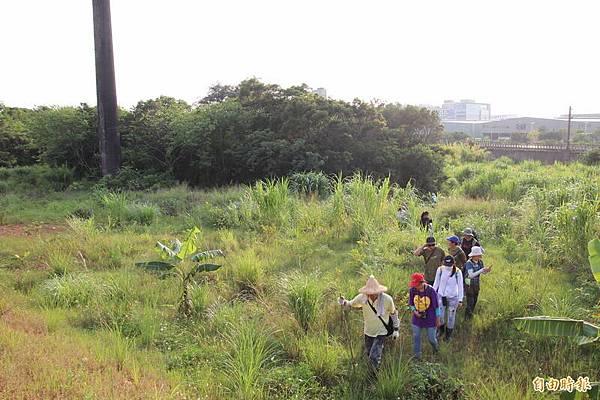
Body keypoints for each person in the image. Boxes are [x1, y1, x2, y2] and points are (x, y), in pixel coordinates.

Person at [338, 275, 399, 371]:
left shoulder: (387, 299)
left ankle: (374, 376)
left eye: (373, 292)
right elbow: (351, 303)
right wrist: (343, 302)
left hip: (381, 332)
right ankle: (372, 370)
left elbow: (393, 313)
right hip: (368, 331)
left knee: (374, 356)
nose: (371, 294)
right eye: (369, 292)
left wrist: (396, 329)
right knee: (369, 354)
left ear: (378, 291)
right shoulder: (362, 298)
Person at [408, 273, 440, 360]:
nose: (415, 287)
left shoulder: (431, 291)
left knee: (431, 338)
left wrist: (438, 319)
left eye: (417, 285)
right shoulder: (412, 290)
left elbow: (437, 306)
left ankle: (435, 349)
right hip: (417, 318)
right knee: (416, 337)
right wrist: (415, 312)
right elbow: (411, 304)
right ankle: (417, 357)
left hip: (430, 318)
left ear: (422, 283)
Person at [433, 255, 464, 341]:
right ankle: (441, 330)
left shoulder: (458, 272)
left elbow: (461, 286)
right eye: (446, 265)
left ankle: (448, 335)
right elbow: (436, 283)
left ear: (453, 263)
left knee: (451, 316)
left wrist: (460, 300)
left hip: (453, 297)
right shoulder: (440, 270)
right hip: (441, 296)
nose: (448, 267)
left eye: (449, 265)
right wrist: (432, 294)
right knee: (440, 315)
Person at [464, 246, 491, 319]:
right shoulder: (468, 263)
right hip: (469, 284)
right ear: (474, 255)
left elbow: (483, 272)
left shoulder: (480, 262)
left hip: (476, 284)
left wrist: (487, 271)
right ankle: (467, 317)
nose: (480, 256)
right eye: (479, 255)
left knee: (475, 300)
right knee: (470, 302)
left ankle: (470, 314)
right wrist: (482, 270)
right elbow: (471, 275)